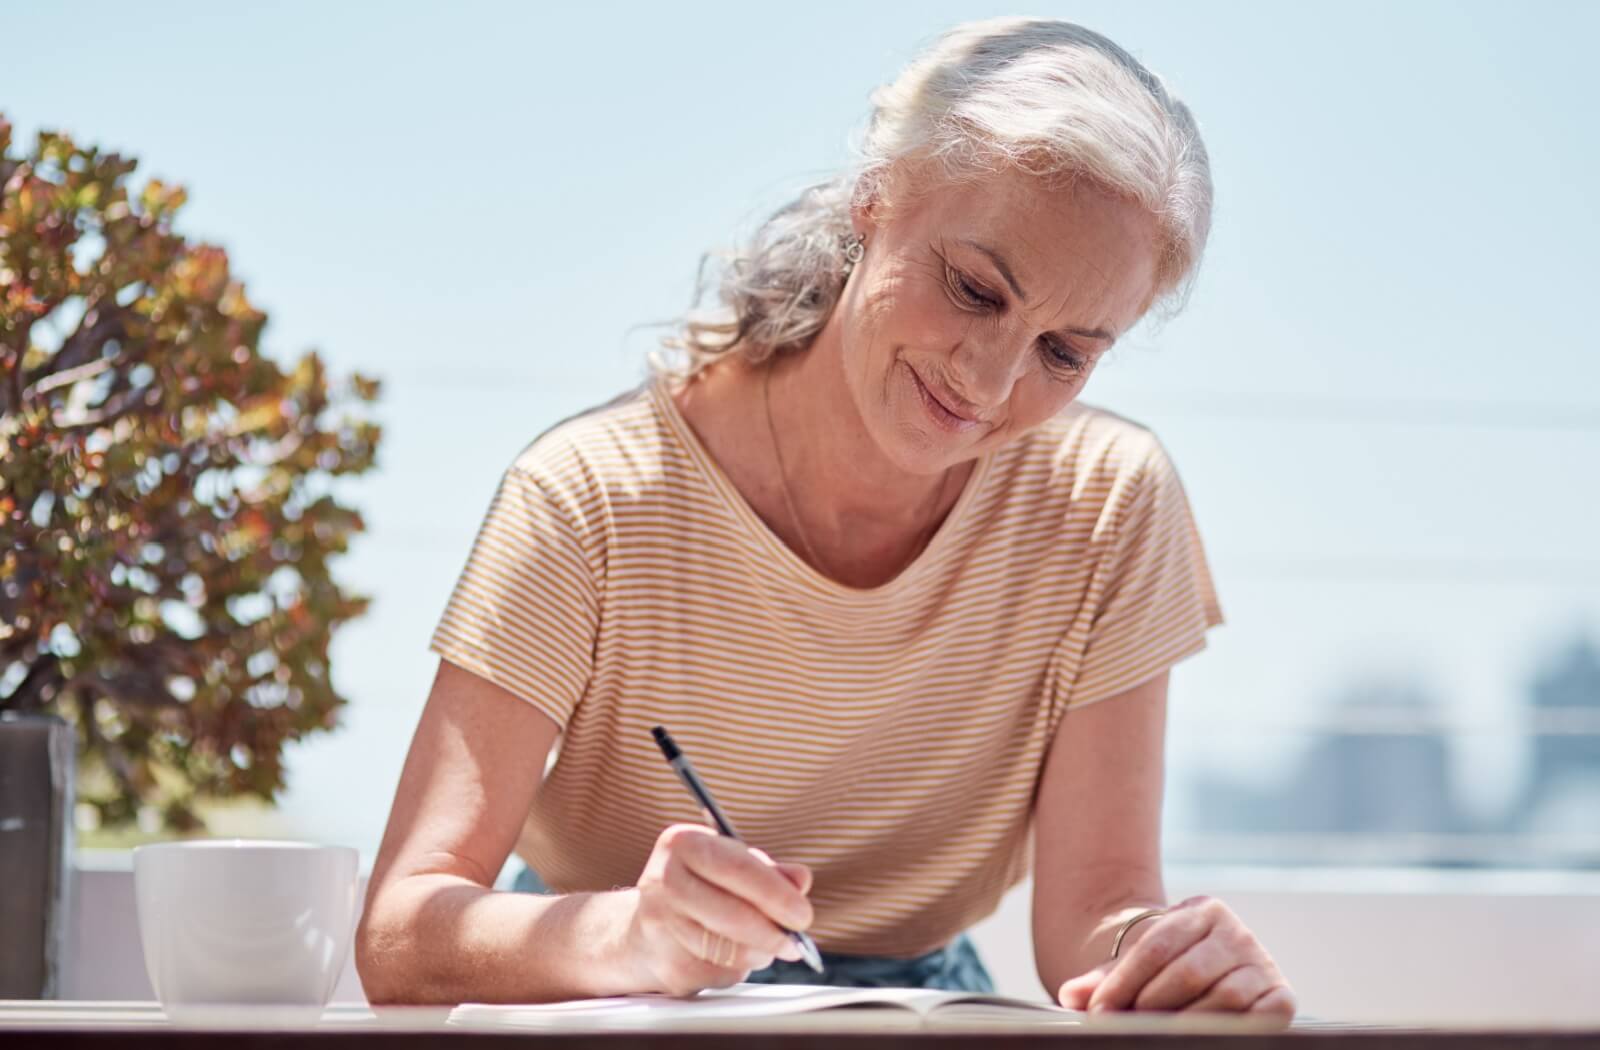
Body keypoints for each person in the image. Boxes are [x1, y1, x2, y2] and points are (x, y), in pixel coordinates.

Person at [355, 15, 1296, 1022]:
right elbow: (399, 934)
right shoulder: (590, 500)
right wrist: (629, 933)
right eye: (974, 290)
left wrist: (1166, 957)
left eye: (1064, 353)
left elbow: (1094, 915)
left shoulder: (1107, 506)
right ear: (875, 196)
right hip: (613, 991)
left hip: (923, 1011)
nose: (991, 380)